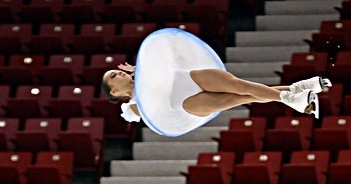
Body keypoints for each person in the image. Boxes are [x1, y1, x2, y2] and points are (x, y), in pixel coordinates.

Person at [101, 28, 331, 137]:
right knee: (240, 97)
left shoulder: (144, 69)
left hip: (188, 77)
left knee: (241, 86)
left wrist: (142, 68)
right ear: (114, 92)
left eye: (116, 71)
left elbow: (161, 56)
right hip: (185, 103)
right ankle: (297, 93)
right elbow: (148, 110)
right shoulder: (129, 108)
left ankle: (298, 94)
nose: (118, 74)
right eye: (113, 77)